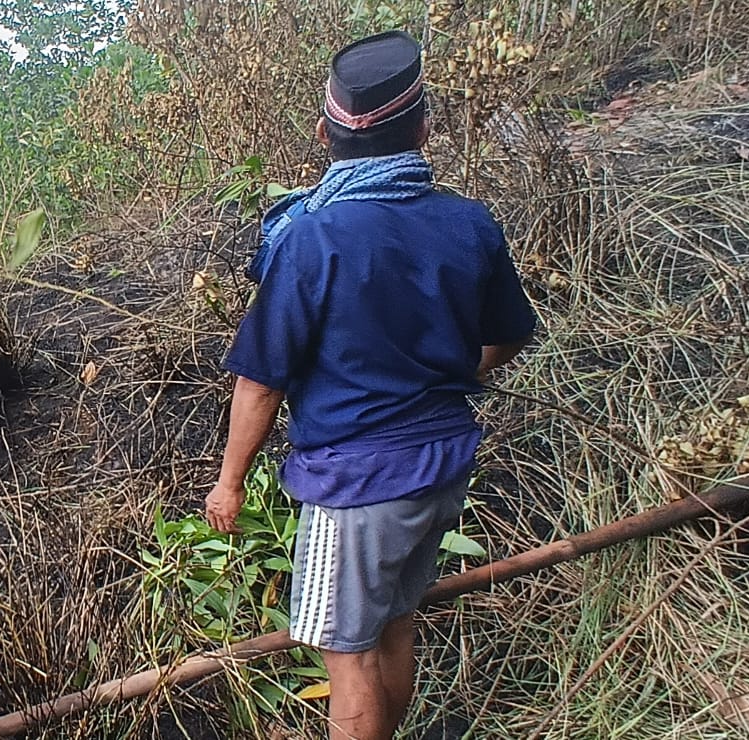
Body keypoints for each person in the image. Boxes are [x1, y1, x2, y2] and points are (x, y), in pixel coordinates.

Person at [204, 30, 538, 740]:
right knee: (393, 626)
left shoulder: (310, 239)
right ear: (422, 127)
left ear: (325, 132)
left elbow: (261, 382)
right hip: (443, 466)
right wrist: (452, 375)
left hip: (358, 486)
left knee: (345, 656)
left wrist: (229, 483)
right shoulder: (468, 224)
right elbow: (510, 333)